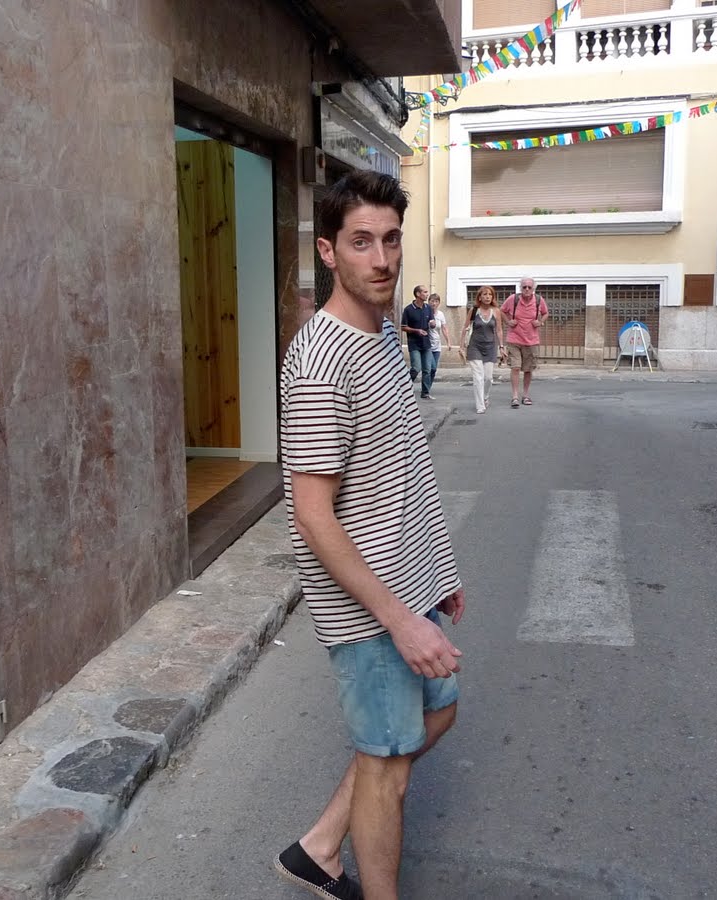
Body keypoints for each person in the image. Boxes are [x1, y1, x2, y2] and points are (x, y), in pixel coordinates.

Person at [276, 169, 466, 900]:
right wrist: (398, 619)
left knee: (437, 712)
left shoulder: (384, 336)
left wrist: (439, 571)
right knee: (386, 770)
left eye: (391, 240)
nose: (382, 259)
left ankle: (320, 848)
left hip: (411, 587)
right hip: (368, 610)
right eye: (361, 242)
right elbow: (312, 515)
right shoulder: (320, 361)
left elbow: (404, 471)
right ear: (328, 251)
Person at [500, 278, 548, 408]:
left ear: (533, 289)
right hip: (514, 339)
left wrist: (540, 322)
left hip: (531, 340)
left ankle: (525, 395)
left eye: (529, 287)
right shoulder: (513, 299)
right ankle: (515, 396)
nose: (526, 289)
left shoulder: (539, 300)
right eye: (524, 287)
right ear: (520, 288)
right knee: (515, 367)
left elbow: (545, 313)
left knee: (528, 369)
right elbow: (502, 311)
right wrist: (508, 322)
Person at [462, 285, 504, 414]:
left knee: (488, 378)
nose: (487, 297)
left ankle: (485, 396)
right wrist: (461, 347)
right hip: (475, 347)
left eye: (490, 294)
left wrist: (502, 347)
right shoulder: (474, 310)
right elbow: (465, 328)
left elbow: (499, 330)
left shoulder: (496, 311)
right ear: (479, 297)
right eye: (484, 294)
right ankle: (480, 406)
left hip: (490, 347)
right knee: (478, 377)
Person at [401, 285, 435, 399]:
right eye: (425, 292)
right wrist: (416, 331)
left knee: (427, 369)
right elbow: (403, 327)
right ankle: (404, 387)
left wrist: (433, 324)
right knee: (416, 368)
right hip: (414, 342)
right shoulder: (408, 309)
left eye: (427, 292)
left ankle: (425, 393)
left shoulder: (428, 308)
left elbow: (431, 321)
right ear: (418, 294)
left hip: (426, 342)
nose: (427, 294)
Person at [425, 292, 450, 399]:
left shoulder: (440, 314)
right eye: (432, 301)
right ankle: (425, 390)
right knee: (431, 367)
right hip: (427, 345)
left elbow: (444, 328)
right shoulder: (425, 312)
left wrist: (448, 342)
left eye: (436, 301)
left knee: (433, 369)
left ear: (439, 303)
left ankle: (427, 388)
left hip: (437, 345)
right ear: (428, 302)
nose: (434, 303)